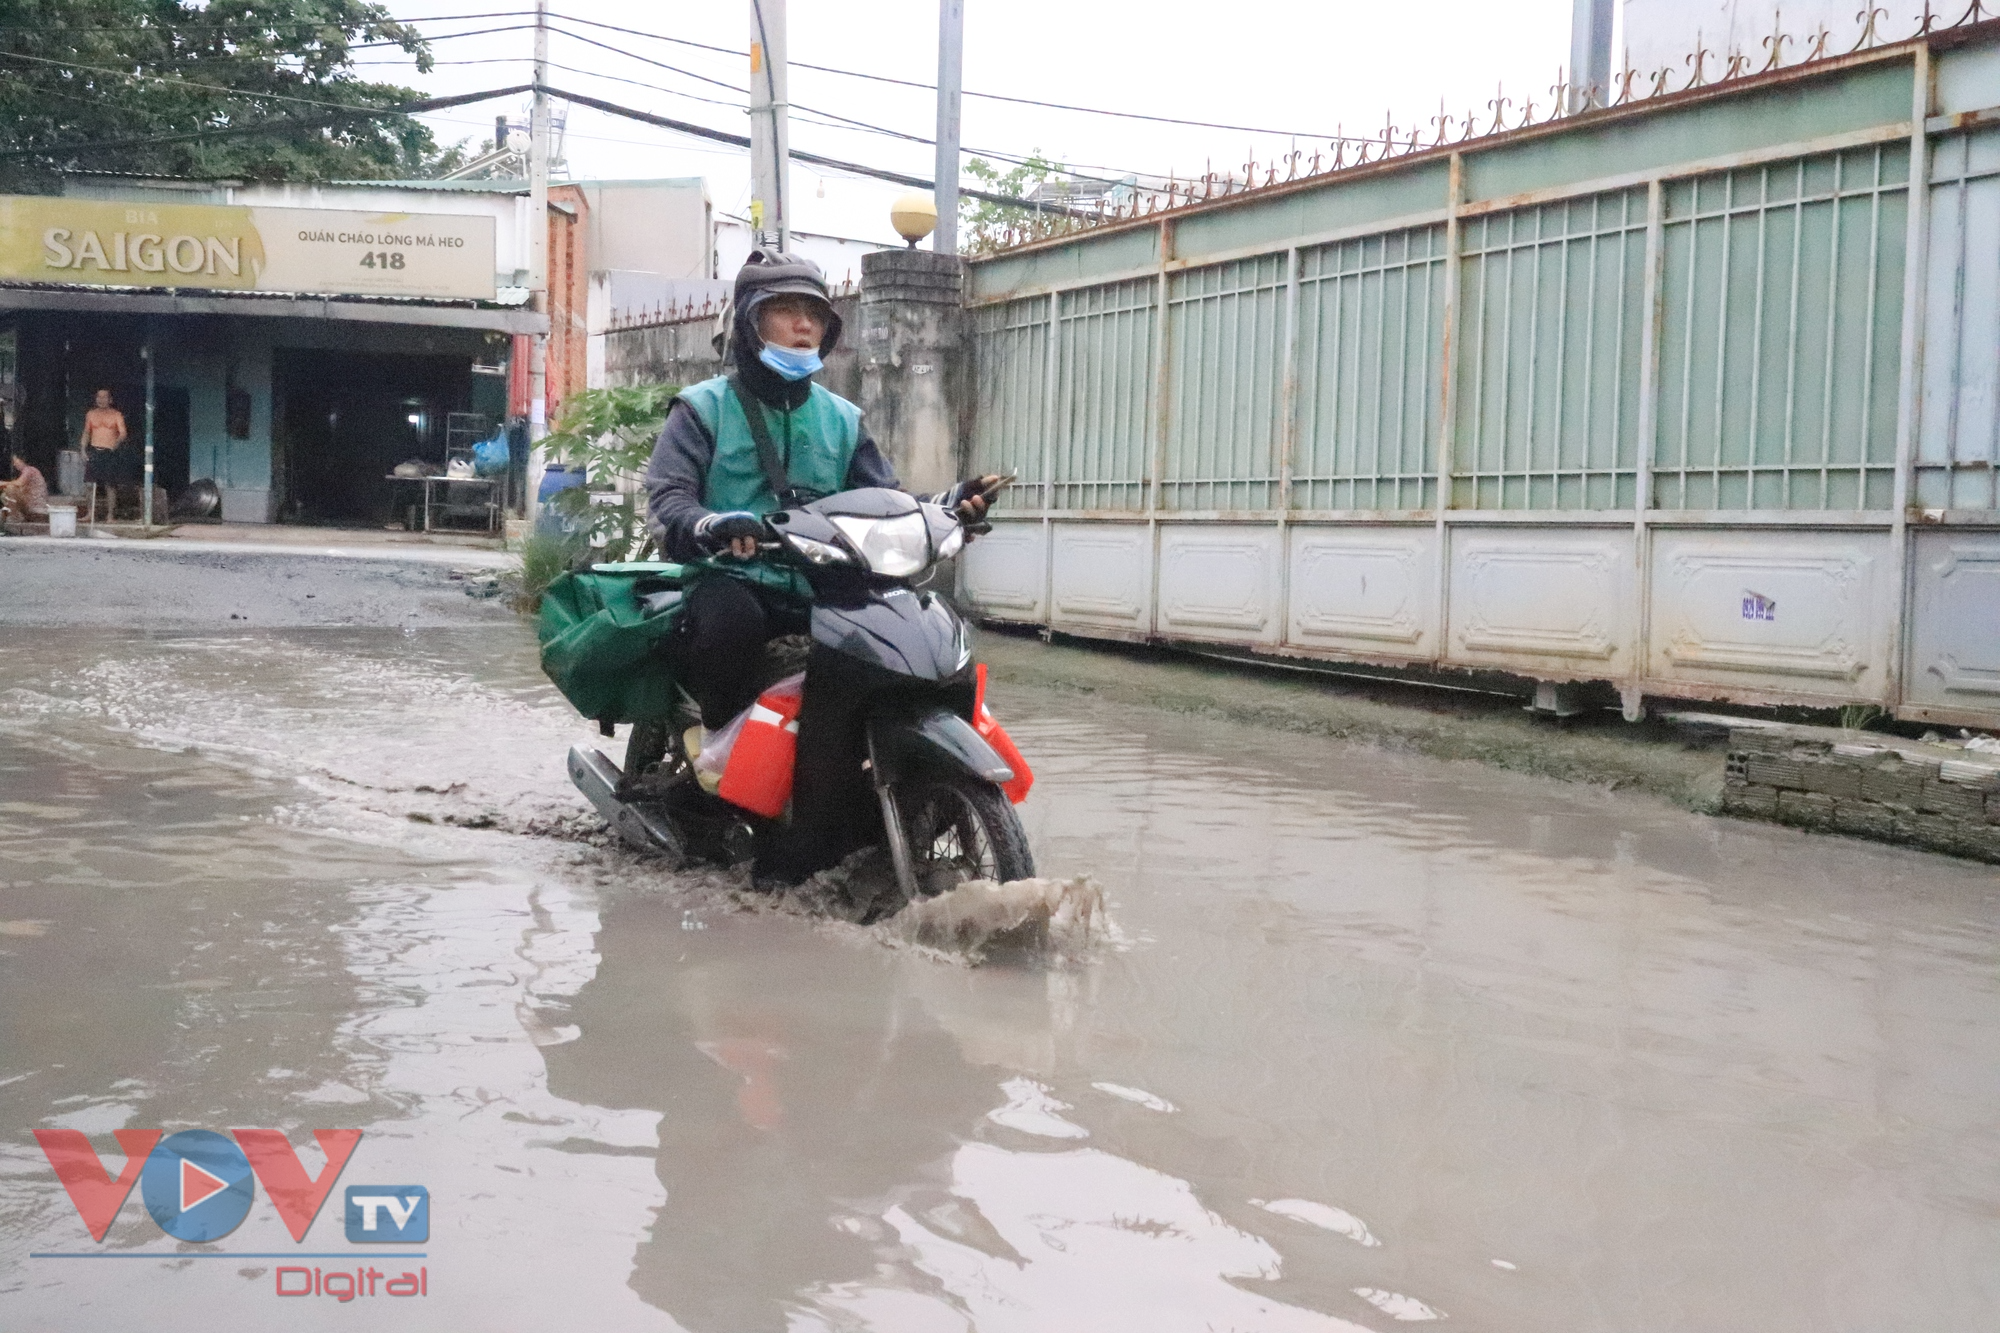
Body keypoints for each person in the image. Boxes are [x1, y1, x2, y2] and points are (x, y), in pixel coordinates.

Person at [644, 250, 1002, 884]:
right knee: (728, 623)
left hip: (828, 584)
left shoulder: (842, 418)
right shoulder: (701, 409)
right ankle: (715, 767)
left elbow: (887, 500)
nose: (802, 325)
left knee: (903, 639)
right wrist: (712, 524)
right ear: (751, 324)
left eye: (812, 313)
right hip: (736, 578)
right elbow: (670, 500)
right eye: (785, 311)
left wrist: (949, 508)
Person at [80, 388, 130, 521]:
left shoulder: (116, 414)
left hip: (109, 452)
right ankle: (90, 513)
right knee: (90, 484)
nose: (101, 400)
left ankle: (110, 515)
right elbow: (86, 432)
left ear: (110, 400)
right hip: (94, 451)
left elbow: (123, 433)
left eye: (104, 397)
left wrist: (116, 444)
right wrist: (83, 449)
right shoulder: (91, 414)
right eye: (99, 397)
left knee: (110, 485)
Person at [2, 448, 48, 525]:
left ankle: (14, 517)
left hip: (35, 508)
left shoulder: (29, 470)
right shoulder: (29, 471)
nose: (14, 464)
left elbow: (18, 483)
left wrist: (3, 483)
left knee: (10, 489)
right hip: (31, 507)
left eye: (15, 461)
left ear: (21, 460)